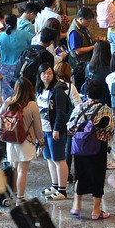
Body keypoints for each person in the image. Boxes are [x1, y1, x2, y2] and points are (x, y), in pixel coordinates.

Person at [66, 80, 115, 220]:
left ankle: (76, 206)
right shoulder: (105, 109)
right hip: (98, 147)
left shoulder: (79, 108)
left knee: (80, 176)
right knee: (98, 177)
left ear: (86, 93)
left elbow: (70, 127)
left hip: (80, 147)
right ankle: (96, 211)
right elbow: (110, 130)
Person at [0, 77, 42, 198]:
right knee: (23, 171)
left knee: (15, 169)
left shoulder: (9, 101)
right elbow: (38, 126)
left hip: (11, 141)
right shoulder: (32, 105)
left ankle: (15, 194)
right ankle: (20, 198)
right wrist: (41, 142)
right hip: (26, 141)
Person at [36, 62, 73, 201]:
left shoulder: (57, 90)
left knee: (59, 159)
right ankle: (55, 185)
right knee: (49, 159)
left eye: (49, 73)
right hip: (44, 129)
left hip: (54, 130)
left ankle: (62, 190)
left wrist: (57, 128)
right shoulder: (39, 89)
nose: (46, 76)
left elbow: (61, 111)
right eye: (44, 73)